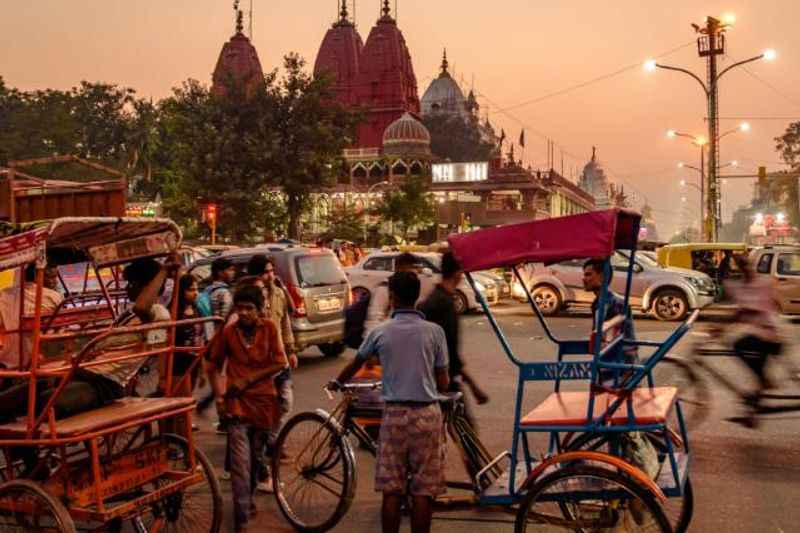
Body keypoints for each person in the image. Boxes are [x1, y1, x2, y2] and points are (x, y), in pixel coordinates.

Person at [330, 271, 449, 533]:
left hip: (394, 416)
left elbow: (356, 363)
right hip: (427, 415)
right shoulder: (435, 332)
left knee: (391, 489)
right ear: (417, 297)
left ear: (392, 297)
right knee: (423, 491)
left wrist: (336, 382)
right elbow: (443, 382)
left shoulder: (381, 332)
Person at [0, 255, 176, 423]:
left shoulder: (157, 313)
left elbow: (142, 308)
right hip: (82, 372)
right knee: (11, 400)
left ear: (145, 286)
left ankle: (28, 450)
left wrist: (163, 272)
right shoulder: (129, 314)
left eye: (132, 283)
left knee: (42, 402)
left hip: (104, 383)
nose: (127, 288)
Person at [205, 285, 288, 533]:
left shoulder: (270, 328)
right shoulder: (229, 332)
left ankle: (248, 500)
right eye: (239, 308)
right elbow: (212, 362)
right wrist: (220, 397)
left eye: (249, 308)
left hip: (263, 402)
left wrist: (249, 380)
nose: (244, 313)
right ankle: (241, 518)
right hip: (237, 405)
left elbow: (280, 362)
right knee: (240, 463)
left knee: (254, 458)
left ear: (259, 310)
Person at [582, 259, 658, 480]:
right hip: (612, 371)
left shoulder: (613, 304)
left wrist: (618, 377)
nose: (584, 279)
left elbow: (618, 343)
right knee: (614, 428)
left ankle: (632, 475)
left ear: (602, 277)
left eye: (588, 274)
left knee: (617, 428)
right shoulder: (598, 304)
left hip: (620, 372)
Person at [238, 254, 297, 492]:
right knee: (253, 425)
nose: (270, 276)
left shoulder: (279, 294)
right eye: (265, 272)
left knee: (285, 402)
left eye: (272, 271)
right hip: (256, 371)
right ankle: (255, 472)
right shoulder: (246, 304)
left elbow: (285, 324)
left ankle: (271, 442)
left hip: (278, 361)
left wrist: (291, 349)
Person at [418, 251, 488, 428]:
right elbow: (448, 351)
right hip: (442, 379)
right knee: (466, 434)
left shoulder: (437, 299)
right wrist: (473, 386)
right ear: (458, 273)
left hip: (433, 377)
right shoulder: (443, 304)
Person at [720, 254, 784, 427]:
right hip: (766, 333)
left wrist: (722, 327)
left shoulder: (760, 284)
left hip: (769, 336)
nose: (745, 271)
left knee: (739, 345)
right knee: (757, 372)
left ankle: (760, 391)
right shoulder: (754, 284)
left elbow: (746, 312)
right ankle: (752, 413)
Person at [0, 264, 64, 369]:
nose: (56, 281)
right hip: (48, 358)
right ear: (36, 275)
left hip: (13, 359)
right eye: (51, 277)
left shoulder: (5, 294)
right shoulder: (54, 296)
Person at [364, 252, 418, 334]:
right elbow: (375, 316)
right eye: (410, 268)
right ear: (398, 268)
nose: (415, 271)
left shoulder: (412, 285)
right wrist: (375, 339)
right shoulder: (386, 286)